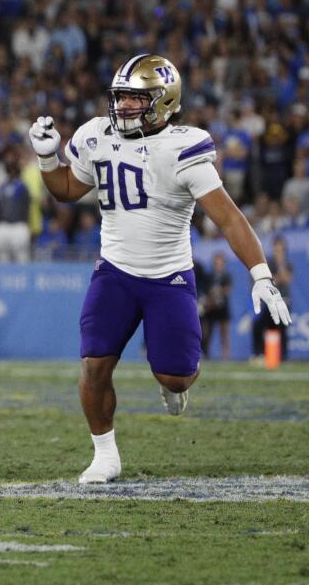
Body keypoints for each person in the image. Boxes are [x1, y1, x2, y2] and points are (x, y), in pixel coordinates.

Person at [28, 54, 290, 484]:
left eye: (135, 99)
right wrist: (45, 159)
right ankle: (105, 455)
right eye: (121, 98)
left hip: (169, 277)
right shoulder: (96, 134)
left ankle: (173, 386)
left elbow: (228, 218)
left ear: (164, 101)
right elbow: (67, 190)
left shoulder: (183, 148)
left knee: (177, 376)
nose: (124, 107)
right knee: (94, 363)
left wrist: (260, 273)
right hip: (115, 271)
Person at [251, 235, 294, 362]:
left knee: (282, 329)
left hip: (284, 300)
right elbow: (269, 280)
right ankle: (259, 354)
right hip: (270, 301)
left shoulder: (287, 263)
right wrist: (277, 278)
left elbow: (286, 279)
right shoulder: (268, 263)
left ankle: (283, 357)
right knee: (260, 326)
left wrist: (280, 264)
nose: (278, 251)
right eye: (276, 248)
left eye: (280, 249)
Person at [201, 252, 232, 359]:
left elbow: (227, 290)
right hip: (211, 308)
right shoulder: (209, 276)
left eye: (220, 262)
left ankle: (226, 356)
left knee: (224, 333)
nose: (218, 265)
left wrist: (218, 292)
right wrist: (211, 299)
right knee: (207, 333)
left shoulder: (226, 276)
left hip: (223, 307)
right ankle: (206, 354)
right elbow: (205, 291)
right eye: (217, 262)